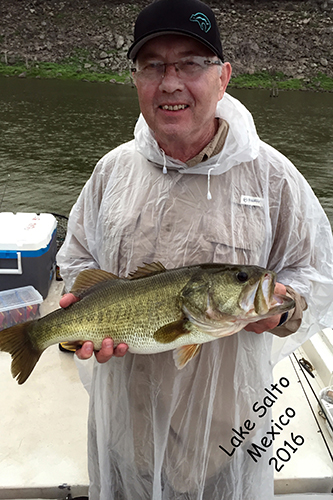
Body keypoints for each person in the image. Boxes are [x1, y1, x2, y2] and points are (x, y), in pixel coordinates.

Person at [57, 0, 333, 498]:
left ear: (224, 77)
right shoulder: (110, 173)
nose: (170, 83)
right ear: (136, 79)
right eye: (153, 66)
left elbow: (317, 273)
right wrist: (78, 325)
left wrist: (285, 310)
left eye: (190, 63)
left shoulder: (273, 177)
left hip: (228, 438)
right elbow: (77, 258)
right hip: (127, 430)